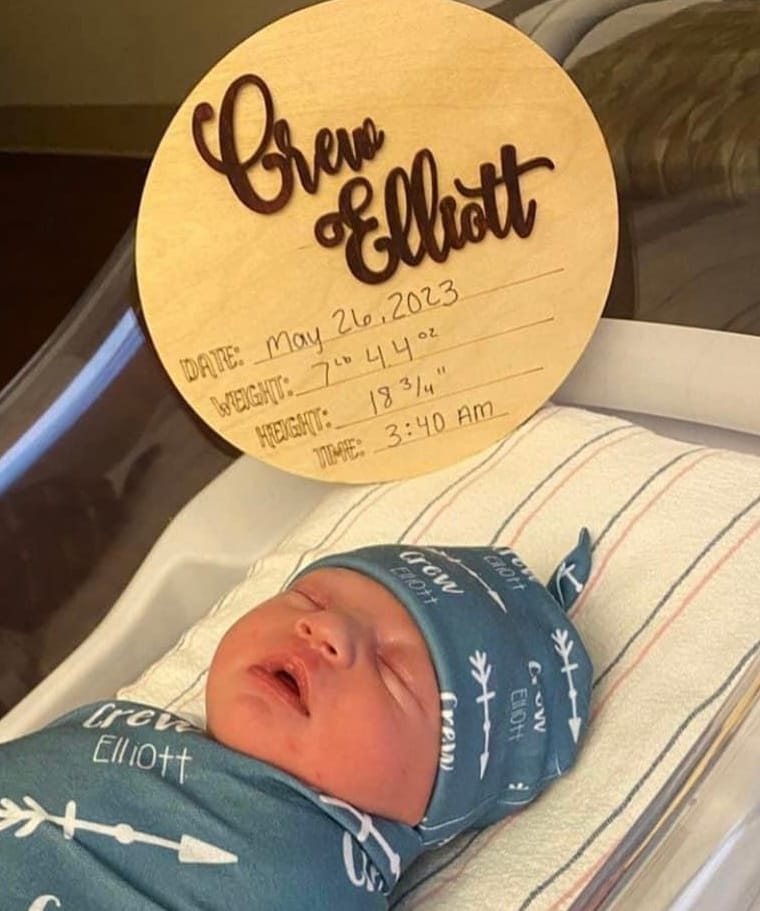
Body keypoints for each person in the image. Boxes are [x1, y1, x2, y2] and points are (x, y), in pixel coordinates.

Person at [2, 533, 593, 910]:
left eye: (392, 671)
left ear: (431, 805)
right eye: (310, 599)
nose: (326, 630)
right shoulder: (129, 730)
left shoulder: (318, 879)